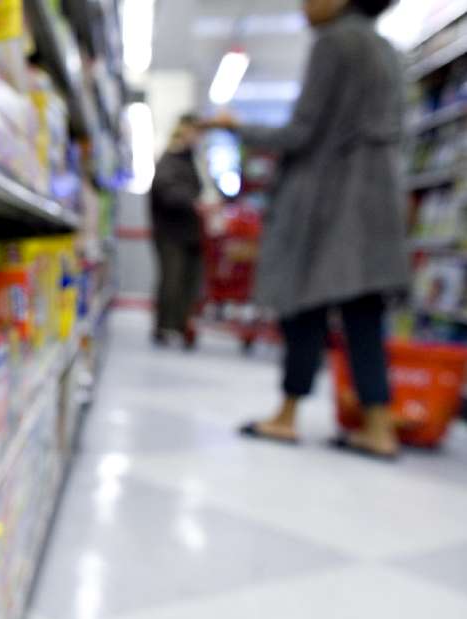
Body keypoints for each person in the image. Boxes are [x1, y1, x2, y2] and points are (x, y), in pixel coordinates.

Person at [204, 0, 409, 459]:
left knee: (303, 306)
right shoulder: (385, 49)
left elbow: (301, 133)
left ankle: (287, 415)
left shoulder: (334, 43)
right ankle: (379, 426)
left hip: (327, 200)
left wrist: (235, 128)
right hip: (376, 201)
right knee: (363, 314)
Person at [149, 114, 204, 348]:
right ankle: (163, 327)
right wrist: (193, 201)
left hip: (191, 232)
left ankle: (182, 325)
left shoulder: (193, 160)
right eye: (194, 131)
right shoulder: (169, 159)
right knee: (171, 279)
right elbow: (165, 192)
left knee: (189, 282)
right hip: (171, 232)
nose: (197, 137)